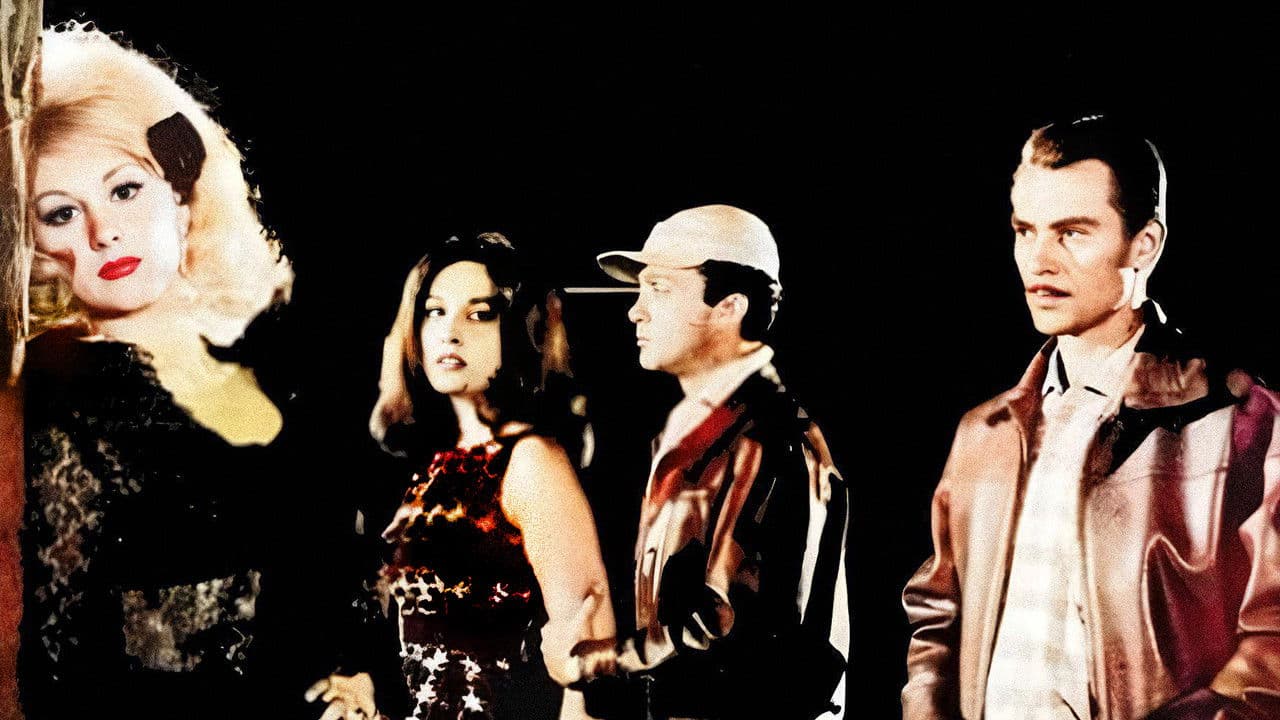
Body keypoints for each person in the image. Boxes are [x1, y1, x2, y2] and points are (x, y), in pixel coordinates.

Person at [902, 115, 1280, 720]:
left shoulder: (1243, 422)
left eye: (1072, 233)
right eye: (1025, 231)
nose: (1038, 261)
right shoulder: (985, 433)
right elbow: (938, 620)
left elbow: (1272, 650)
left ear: (1144, 245)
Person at [18, 23, 296, 718]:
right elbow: (54, 662)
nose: (102, 232)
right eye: (60, 212)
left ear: (177, 188)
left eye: (123, 190)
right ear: (30, 245)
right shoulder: (65, 411)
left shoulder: (271, 354)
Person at [590, 204, 850, 720]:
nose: (636, 311)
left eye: (659, 289)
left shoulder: (772, 439)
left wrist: (604, 661)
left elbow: (736, 631)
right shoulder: (694, 432)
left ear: (729, 307)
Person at [366, 232, 617, 719]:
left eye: (479, 314)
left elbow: (591, 655)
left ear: (519, 329)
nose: (450, 332)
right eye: (435, 311)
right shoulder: (438, 460)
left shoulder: (532, 460)